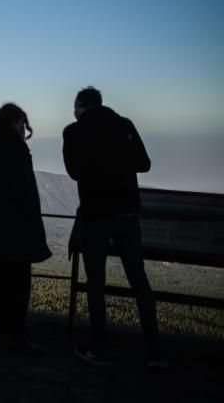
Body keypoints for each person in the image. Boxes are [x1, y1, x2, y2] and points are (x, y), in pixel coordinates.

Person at [63, 86, 166, 368]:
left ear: (81, 106)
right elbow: (143, 164)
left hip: (95, 215)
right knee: (139, 282)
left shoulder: (72, 132)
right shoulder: (124, 125)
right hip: (126, 215)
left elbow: (73, 172)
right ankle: (154, 352)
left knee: (96, 284)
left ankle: (100, 349)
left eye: (75, 107)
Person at [0, 103, 52, 353]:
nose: (23, 129)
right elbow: (27, 192)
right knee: (19, 282)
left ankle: (3, 331)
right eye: (22, 124)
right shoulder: (19, 150)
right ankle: (16, 334)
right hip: (19, 226)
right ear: (14, 122)